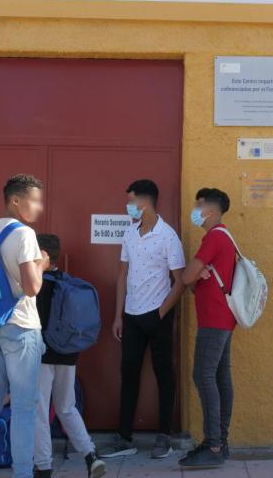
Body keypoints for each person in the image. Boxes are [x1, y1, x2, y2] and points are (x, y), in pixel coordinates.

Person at [0, 175, 51, 478]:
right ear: (16, 200)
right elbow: (32, 288)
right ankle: (24, 473)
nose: (40, 207)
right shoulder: (25, 234)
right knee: (24, 409)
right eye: (35, 200)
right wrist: (42, 262)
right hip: (20, 328)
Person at [98, 180, 186, 460]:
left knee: (164, 373)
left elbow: (180, 282)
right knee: (129, 373)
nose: (128, 207)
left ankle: (164, 437)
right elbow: (123, 274)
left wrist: (161, 313)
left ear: (144, 203)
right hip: (132, 317)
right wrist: (118, 316)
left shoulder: (168, 236)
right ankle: (125, 438)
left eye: (131, 201)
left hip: (157, 315)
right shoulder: (130, 233)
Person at [33, 234, 106, 478]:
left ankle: (43, 467)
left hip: (43, 356)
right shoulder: (67, 281)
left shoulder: (37, 284)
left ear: (41, 253)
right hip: (68, 354)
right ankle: (90, 455)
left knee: (40, 412)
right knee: (67, 407)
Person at [178, 188, 237, 468]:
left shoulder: (214, 237)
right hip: (223, 318)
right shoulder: (225, 236)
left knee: (204, 376)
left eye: (197, 205)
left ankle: (213, 444)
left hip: (214, 319)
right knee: (219, 377)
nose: (194, 209)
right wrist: (195, 276)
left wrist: (194, 276)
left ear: (209, 211)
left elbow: (187, 276)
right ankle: (219, 442)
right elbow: (193, 277)